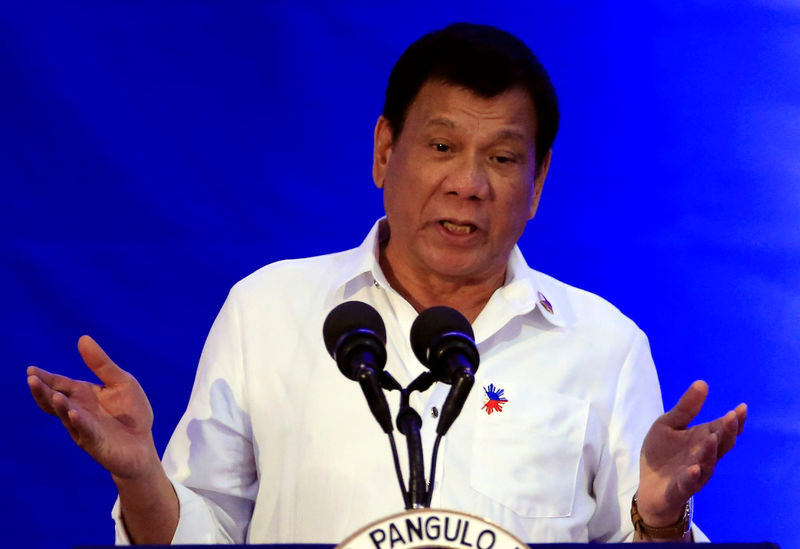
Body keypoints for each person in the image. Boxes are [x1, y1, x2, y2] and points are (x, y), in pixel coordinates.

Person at [27, 23, 746, 544]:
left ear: (538, 183)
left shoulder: (604, 347)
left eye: (501, 157)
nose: (467, 185)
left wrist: (660, 520)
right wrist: (141, 478)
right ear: (383, 151)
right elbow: (202, 533)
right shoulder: (270, 310)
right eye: (441, 147)